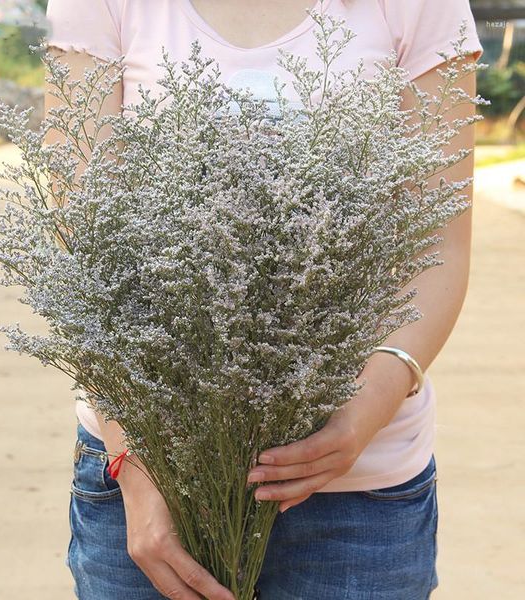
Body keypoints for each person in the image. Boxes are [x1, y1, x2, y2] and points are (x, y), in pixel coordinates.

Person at [43, 1, 484, 598]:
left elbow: (438, 248)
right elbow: (83, 260)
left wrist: (360, 418)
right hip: (150, 486)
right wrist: (138, 464)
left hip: (358, 499)